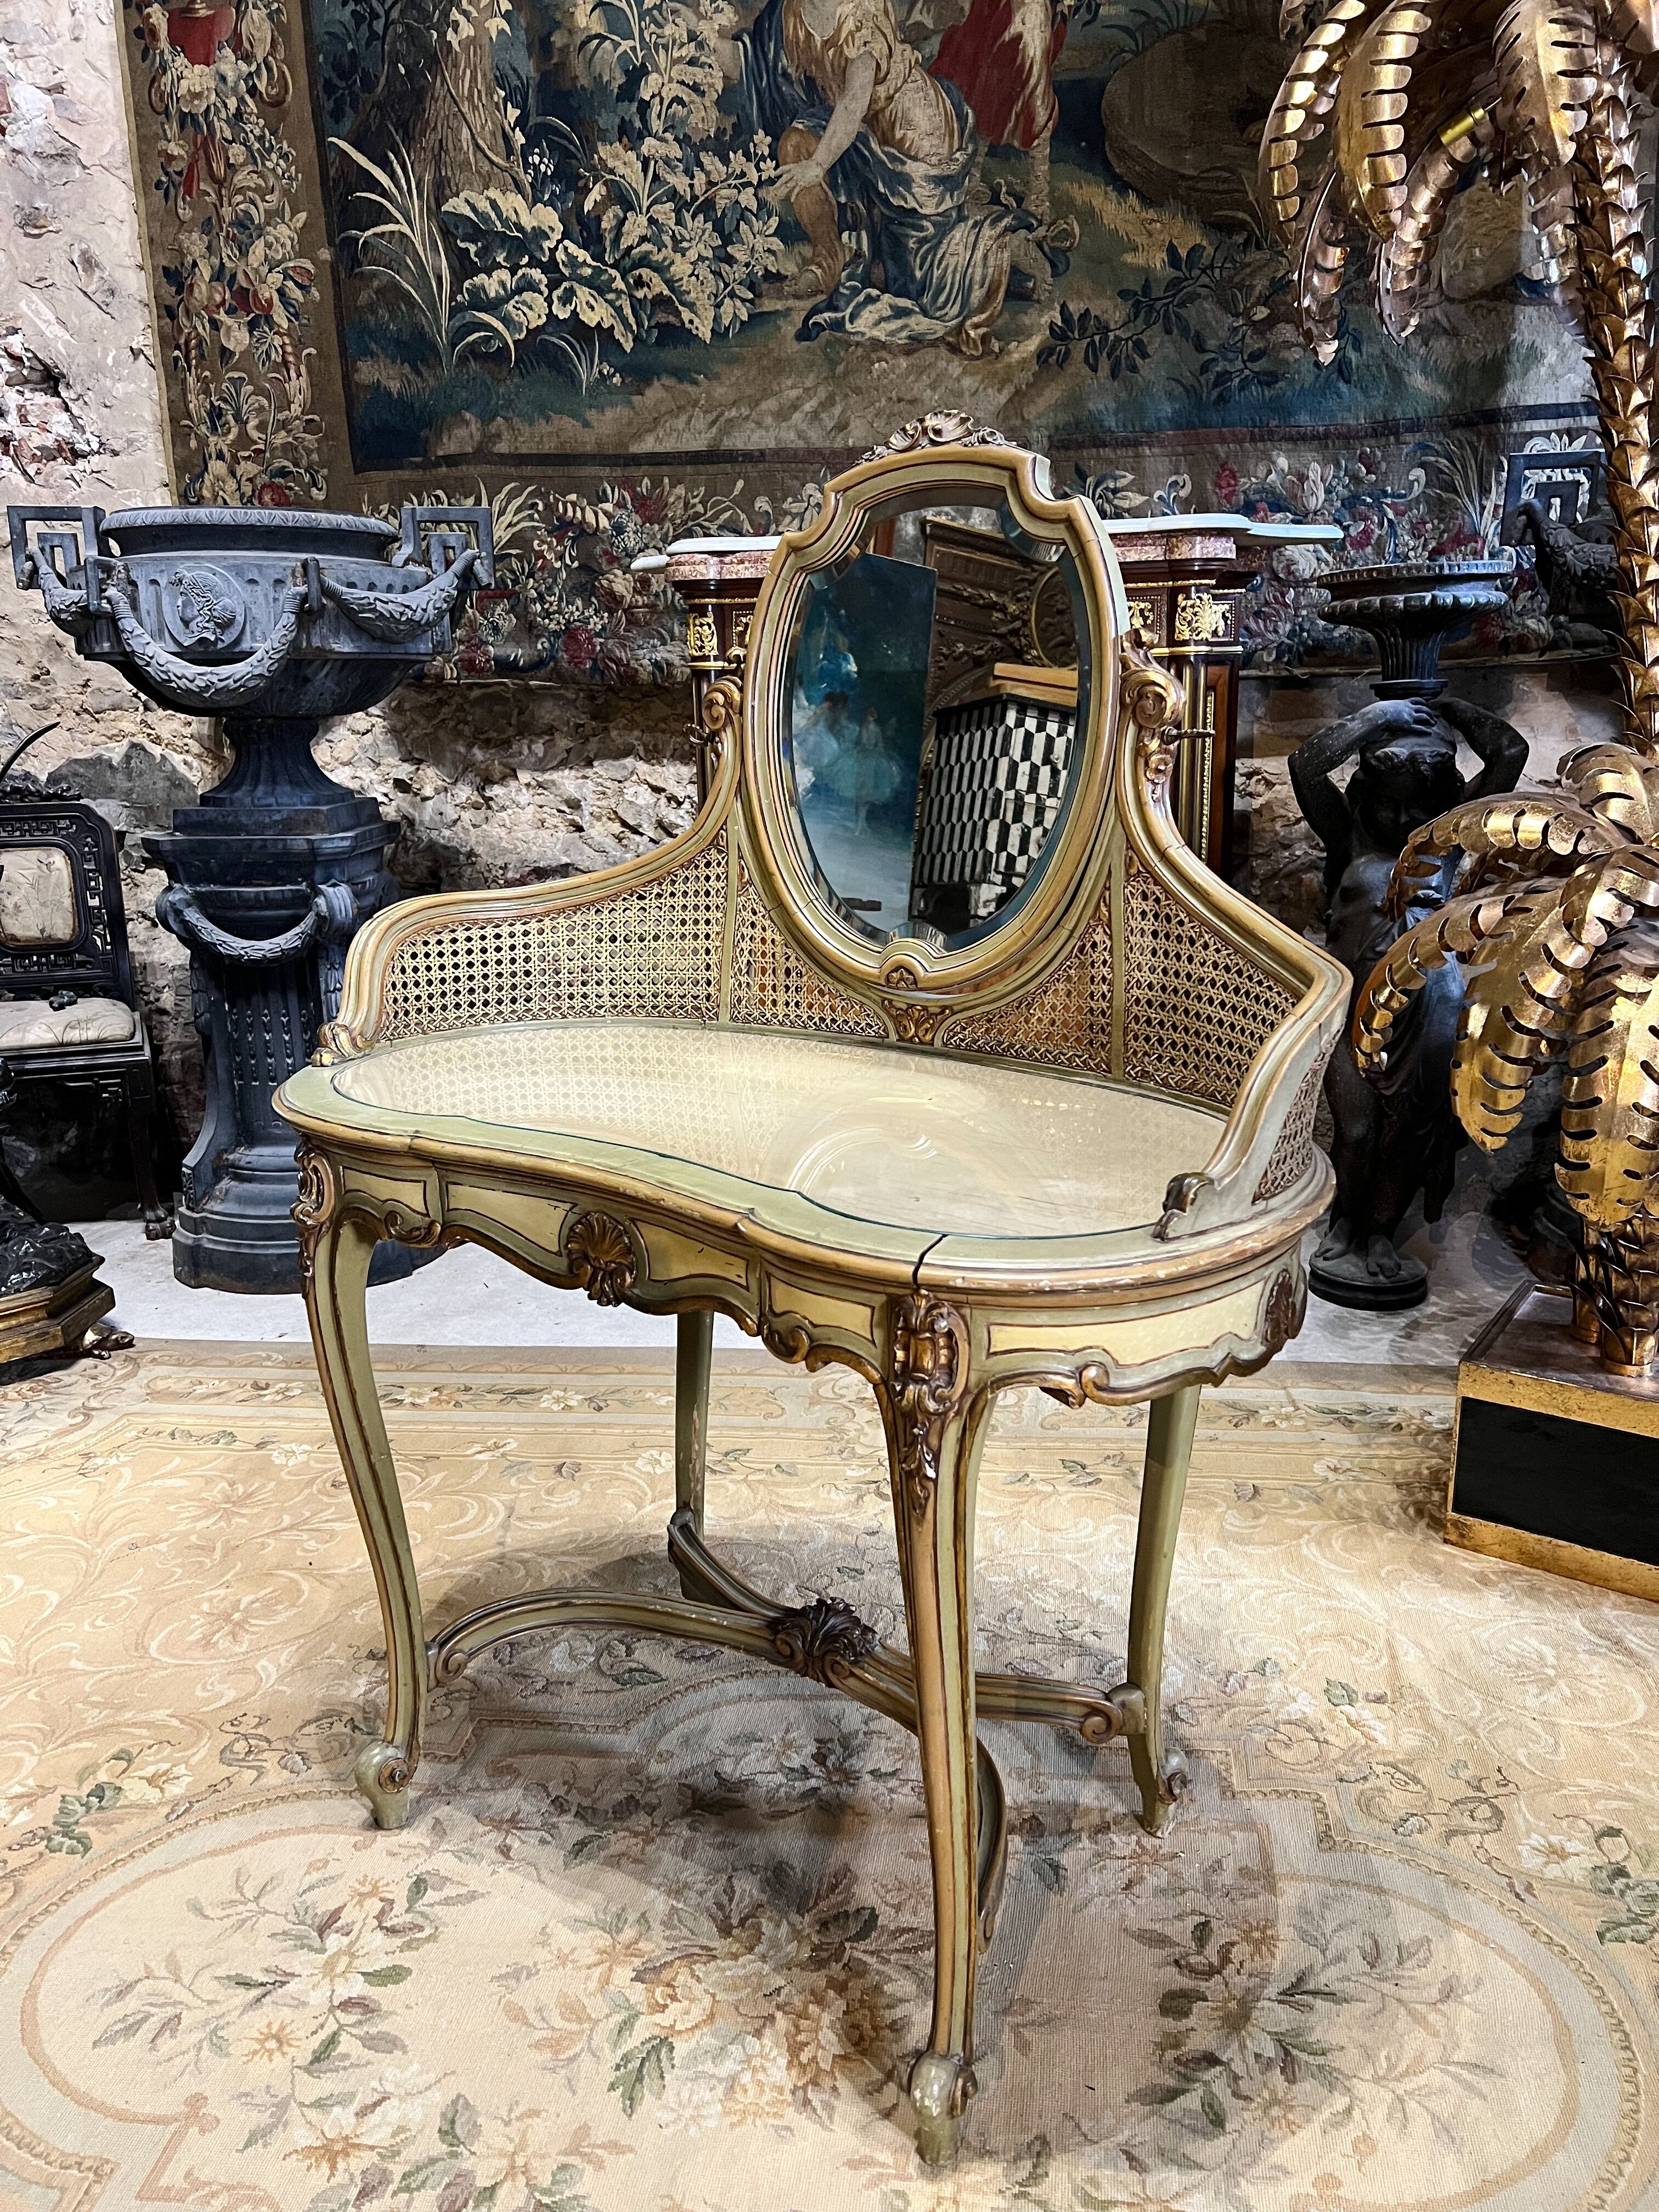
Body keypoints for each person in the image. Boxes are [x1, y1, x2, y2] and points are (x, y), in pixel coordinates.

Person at [725, 0, 1034, 353]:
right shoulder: (792, 9)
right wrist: (695, 38)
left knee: (923, 291)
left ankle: (1000, 251)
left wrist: (819, 163)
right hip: (863, 133)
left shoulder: (861, 14)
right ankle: (828, 260)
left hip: (913, 137)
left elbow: (855, 100)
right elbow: (755, 63)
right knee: (795, 143)